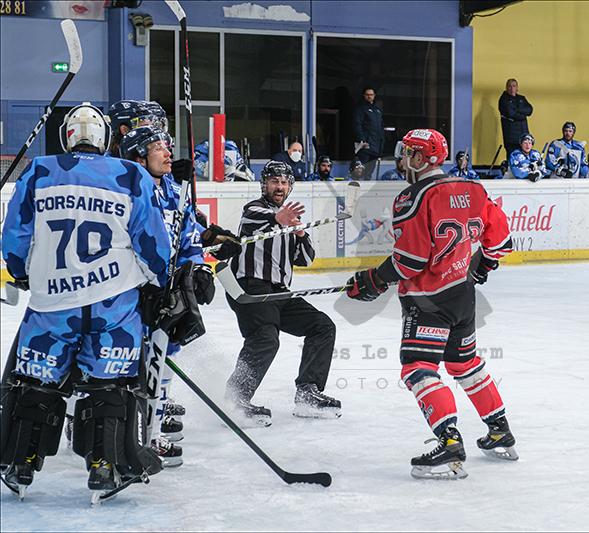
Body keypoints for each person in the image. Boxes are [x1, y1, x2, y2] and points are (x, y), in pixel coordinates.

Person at [0, 103, 171, 497]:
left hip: (52, 303)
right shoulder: (130, 174)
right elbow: (152, 242)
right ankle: (104, 466)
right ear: (105, 139)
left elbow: (15, 235)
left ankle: (20, 461)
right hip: (114, 303)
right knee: (110, 384)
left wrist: (21, 271)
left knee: (36, 381)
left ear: (66, 136)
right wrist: (158, 281)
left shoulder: (38, 170)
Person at [345, 128, 517, 480]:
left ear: (423, 158)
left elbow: (410, 261)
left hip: (428, 300)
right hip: (463, 294)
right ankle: (499, 430)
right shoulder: (473, 188)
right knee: (464, 362)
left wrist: (373, 280)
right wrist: (483, 265)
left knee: (418, 367)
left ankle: (450, 443)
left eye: (409, 152)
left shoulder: (412, 197)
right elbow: (501, 240)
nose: (403, 158)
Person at [120, 126, 221, 466]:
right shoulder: (125, 190)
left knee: (162, 358)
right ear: (138, 157)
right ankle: (91, 422)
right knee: (120, 361)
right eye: (158, 148)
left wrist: (200, 268)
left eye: (168, 147)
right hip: (129, 293)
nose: (168, 154)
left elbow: (188, 237)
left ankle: (150, 432)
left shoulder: (176, 191)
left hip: (166, 292)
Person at [224, 160, 341, 424]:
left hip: (279, 294)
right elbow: (255, 218)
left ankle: (308, 393)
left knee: (322, 326)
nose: (280, 186)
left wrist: (299, 233)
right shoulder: (254, 209)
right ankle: (235, 399)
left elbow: (306, 259)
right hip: (251, 289)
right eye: (274, 181)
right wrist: (278, 219)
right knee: (265, 338)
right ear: (264, 184)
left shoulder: (291, 220)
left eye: (284, 182)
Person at [352, 85, 384, 180]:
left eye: (371, 94)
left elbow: (381, 128)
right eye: (367, 94)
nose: (369, 96)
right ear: (364, 95)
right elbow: (357, 125)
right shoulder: (360, 109)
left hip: (375, 147)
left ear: (374, 96)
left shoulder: (377, 110)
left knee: (369, 173)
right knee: (359, 171)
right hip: (365, 146)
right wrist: (362, 140)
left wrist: (381, 144)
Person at [498, 78, 533, 163]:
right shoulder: (503, 99)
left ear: (517, 87)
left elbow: (530, 110)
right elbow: (511, 113)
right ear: (506, 87)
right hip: (511, 136)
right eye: (509, 86)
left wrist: (517, 110)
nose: (512, 88)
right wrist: (522, 114)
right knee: (512, 158)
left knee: (525, 158)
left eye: (514, 86)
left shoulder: (521, 98)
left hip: (523, 134)